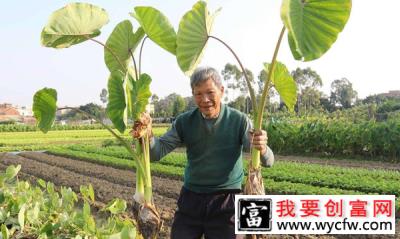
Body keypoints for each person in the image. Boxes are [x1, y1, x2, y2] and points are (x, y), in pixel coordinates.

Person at [138, 67, 274, 239]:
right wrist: (147, 135)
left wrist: (262, 147)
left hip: (228, 201)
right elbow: (156, 153)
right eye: (198, 94)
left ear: (221, 91)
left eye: (210, 92)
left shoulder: (238, 120)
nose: (205, 100)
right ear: (193, 94)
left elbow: (268, 161)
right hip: (191, 199)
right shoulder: (184, 122)